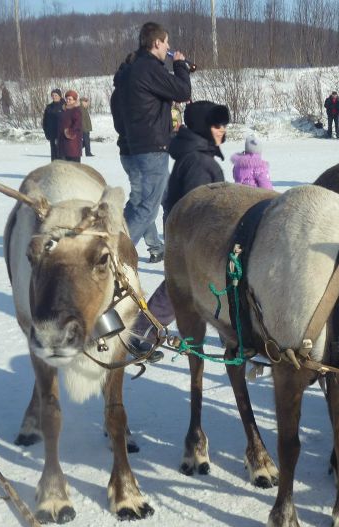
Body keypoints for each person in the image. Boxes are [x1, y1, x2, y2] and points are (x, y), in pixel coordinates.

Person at [132, 101, 230, 352]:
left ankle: (142, 331)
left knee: (185, 286)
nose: (223, 130)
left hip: (188, 236)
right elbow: (196, 207)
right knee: (187, 286)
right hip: (193, 237)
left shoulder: (196, 156)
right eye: (217, 125)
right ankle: (142, 332)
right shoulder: (198, 162)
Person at [120, 21, 192, 264]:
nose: (168, 47)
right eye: (166, 42)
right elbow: (182, 91)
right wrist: (180, 65)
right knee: (148, 208)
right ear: (157, 43)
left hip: (142, 146)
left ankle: (121, 240)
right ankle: (116, 256)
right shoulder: (149, 68)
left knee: (150, 200)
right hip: (151, 148)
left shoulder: (138, 69)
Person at [57, 90, 83, 162]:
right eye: (67, 99)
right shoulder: (64, 110)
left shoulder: (76, 110)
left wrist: (69, 133)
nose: (68, 101)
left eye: (70, 99)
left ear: (74, 100)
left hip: (72, 142)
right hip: (63, 141)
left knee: (74, 166)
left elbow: (77, 124)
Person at [42, 88, 64, 161]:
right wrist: (47, 133)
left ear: (60, 96)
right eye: (53, 95)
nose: (54, 97)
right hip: (52, 135)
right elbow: (45, 121)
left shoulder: (65, 106)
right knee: (54, 155)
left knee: (62, 155)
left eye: (56, 95)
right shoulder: (49, 107)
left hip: (62, 135)